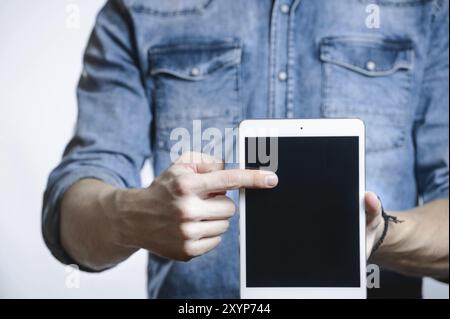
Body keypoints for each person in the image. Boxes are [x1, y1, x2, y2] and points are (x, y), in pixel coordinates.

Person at [43, 0, 449, 298]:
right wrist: (133, 216)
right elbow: (71, 207)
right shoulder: (138, 9)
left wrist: (377, 235)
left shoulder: (426, 9)